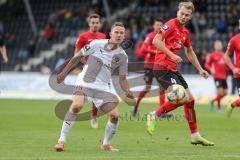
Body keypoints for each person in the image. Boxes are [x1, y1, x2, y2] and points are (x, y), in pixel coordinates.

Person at [54, 22, 134, 151]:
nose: (119, 35)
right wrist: (63, 73)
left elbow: (122, 78)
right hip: (85, 82)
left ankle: (106, 144)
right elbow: (77, 57)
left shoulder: (123, 56)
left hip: (102, 87)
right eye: (116, 32)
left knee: (114, 115)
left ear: (124, 36)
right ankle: (61, 140)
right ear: (110, 34)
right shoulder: (97, 44)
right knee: (77, 106)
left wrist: (127, 90)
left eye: (121, 33)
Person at [147, 1, 214, 146]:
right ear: (178, 12)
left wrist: (200, 69)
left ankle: (195, 135)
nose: (183, 17)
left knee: (190, 100)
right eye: (182, 13)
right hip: (161, 68)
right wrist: (171, 55)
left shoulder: (185, 33)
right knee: (180, 97)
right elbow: (156, 40)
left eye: (187, 15)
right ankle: (153, 115)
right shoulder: (170, 24)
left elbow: (189, 52)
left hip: (172, 69)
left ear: (190, 16)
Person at [74, 13, 106, 128]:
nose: (95, 25)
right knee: (83, 96)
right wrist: (81, 65)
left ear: (99, 24)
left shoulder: (102, 36)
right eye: (93, 23)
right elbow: (77, 53)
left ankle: (94, 116)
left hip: (99, 70)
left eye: (97, 22)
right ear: (89, 24)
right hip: (86, 68)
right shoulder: (83, 36)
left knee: (96, 94)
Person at [131, 18, 165, 117]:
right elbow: (144, 48)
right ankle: (135, 106)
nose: (159, 27)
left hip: (159, 65)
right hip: (149, 65)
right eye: (157, 25)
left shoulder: (163, 37)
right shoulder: (150, 36)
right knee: (147, 88)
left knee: (162, 88)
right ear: (154, 26)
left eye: (160, 25)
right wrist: (155, 52)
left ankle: (162, 111)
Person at [204, 40, 228, 112]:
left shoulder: (224, 55)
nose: (218, 46)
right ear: (215, 46)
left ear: (221, 46)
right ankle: (219, 108)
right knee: (220, 93)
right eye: (217, 45)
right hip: (217, 76)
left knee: (225, 93)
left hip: (224, 76)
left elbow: (227, 65)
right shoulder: (212, 55)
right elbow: (206, 64)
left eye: (219, 45)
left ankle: (212, 101)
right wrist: (211, 69)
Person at [224, 33, 240, 118]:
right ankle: (231, 105)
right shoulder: (234, 40)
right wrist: (233, 68)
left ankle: (232, 104)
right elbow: (226, 56)